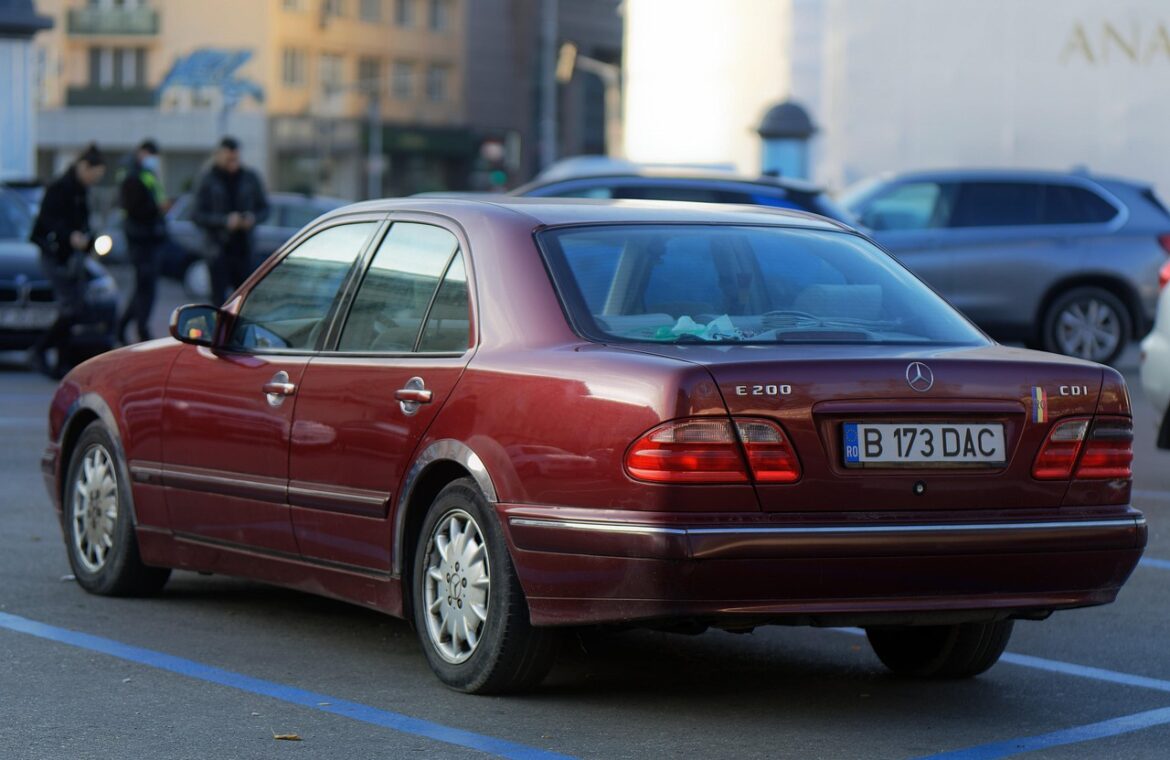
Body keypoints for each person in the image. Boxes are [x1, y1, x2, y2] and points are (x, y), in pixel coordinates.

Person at [28, 143, 106, 378]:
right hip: (55, 256)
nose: (94, 180)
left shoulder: (81, 191)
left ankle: (62, 362)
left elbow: (85, 223)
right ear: (84, 167)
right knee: (71, 308)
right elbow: (45, 224)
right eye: (94, 175)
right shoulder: (60, 189)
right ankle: (40, 350)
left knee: (75, 309)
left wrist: (88, 240)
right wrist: (68, 235)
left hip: (73, 257)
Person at [192, 137, 270, 303]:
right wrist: (224, 221)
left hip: (244, 250)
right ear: (219, 155)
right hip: (218, 252)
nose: (232, 163)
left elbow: (264, 209)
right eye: (228, 159)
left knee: (244, 301)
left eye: (235, 158)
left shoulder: (250, 177)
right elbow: (196, 215)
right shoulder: (207, 179)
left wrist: (252, 218)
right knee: (218, 302)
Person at [117, 139, 167, 343]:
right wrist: (157, 209)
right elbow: (136, 208)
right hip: (141, 239)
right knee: (145, 288)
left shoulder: (146, 174)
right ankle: (141, 329)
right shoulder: (132, 176)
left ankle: (123, 327)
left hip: (149, 238)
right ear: (141, 153)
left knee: (143, 288)